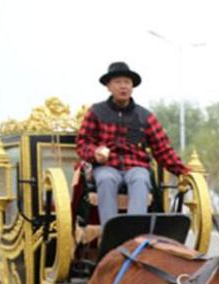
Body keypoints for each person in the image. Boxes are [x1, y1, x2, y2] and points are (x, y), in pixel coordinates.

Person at [76, 61, 190, 225]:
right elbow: (82, 143)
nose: (123, 86)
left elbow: (163, 150)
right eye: (118, 82)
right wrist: (95, 153)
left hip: (136, 167)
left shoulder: (145, 116)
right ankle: (110, 231)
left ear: (132, 86)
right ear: (108, 86)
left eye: (127, 82)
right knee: (106, 179)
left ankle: (134, 232)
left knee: (141, 178)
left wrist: (184, 171)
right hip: (106, 167)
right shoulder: (95, 112)